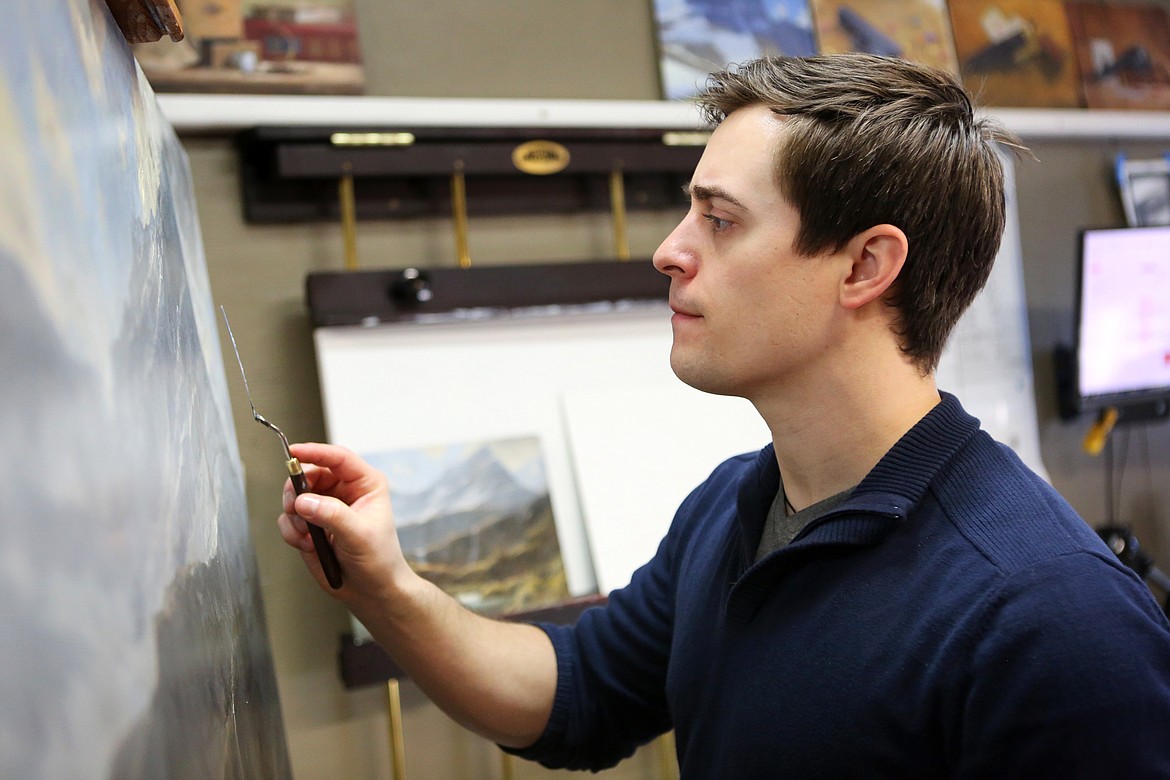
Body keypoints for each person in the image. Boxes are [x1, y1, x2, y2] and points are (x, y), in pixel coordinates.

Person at [277, 54, 1170, 777]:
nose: (670, 250)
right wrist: (385, 590)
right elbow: (577, 695)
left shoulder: (1054, 620)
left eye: (720, 220)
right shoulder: (736, 506)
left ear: (865, 267)